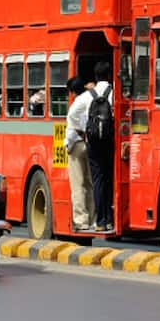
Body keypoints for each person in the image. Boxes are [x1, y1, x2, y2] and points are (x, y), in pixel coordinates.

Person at [74, 62, 114, 231]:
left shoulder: (86, 95)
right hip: (110, 142)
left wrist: (83, 133)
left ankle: (100, 221)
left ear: (96, 77)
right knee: (109, 179)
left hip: (93, 143)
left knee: (97, 180)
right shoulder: (114, 93)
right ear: (109, 75)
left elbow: (73, 115)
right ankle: (111, 219)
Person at [65, 76, 96, 232]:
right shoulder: (92, 97)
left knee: (78, 184)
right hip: (91, 144)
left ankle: (81, 220)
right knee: (91, 183)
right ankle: (92, 218)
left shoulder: (76, 103)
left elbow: (72, 124)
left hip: (77, 144)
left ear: (72, 92)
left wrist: (67, 145)